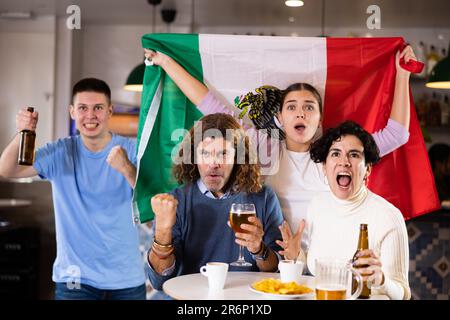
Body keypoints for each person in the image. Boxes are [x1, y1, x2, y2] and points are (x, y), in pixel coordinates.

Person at [143, 45, 417, 244]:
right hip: (271, 255)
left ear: (320, 119)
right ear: (279, 118)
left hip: (327, 254)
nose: (300, 113)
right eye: (292, 107)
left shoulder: (336, 155)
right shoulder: (262, 145)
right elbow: (208, 104)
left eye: (309, 107)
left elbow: (397, 135)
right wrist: (167, 62)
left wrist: (402, 75)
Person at [0, 78, 146, 300]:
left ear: (110, 111)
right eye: (83, 108)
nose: (90, 115)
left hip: (126, 280)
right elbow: (8, 170)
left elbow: (152, 197)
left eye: (98, 108)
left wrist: (126, 168)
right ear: (72, 112)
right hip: (75, 280)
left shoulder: (132, 150)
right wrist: (22, 132)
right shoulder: (60, 152)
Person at [146, 113, 284, 293]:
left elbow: (277, 271)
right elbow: (160, 280)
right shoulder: (176, 202)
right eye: (205, 153)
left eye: (224, 153)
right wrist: (163, 232)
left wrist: (259, 249)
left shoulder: (263, 198)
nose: (214, 163)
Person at [278, 121, 411, 300]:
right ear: (325, 167)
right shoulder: (317, 205)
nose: (344, 162)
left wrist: (382, 280)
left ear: (368, 169)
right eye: (335, 154)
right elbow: (317, 267)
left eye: (354, 155)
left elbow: (403, 294)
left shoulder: (388, 217)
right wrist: (297, 255)